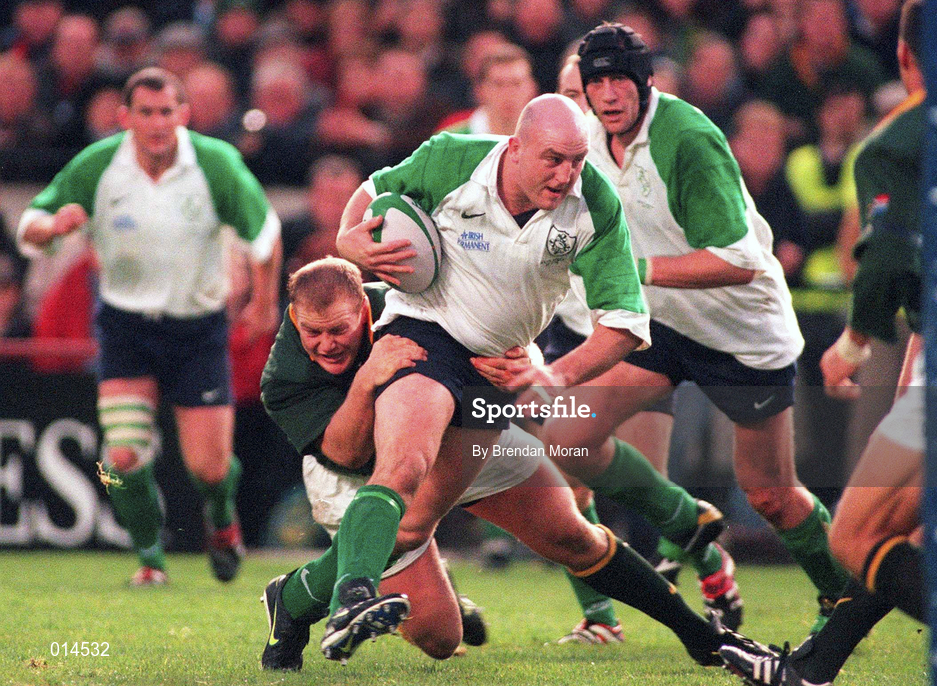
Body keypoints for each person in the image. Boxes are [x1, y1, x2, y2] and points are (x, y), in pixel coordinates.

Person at [323, 92, 736, 663]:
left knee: (557, 531)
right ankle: (352, 599)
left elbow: (625, 322)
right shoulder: (451, 158)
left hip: (500, 371)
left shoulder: (593, 204)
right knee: (406, 466)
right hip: (424, 337)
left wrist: (554, 374)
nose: (567, 175)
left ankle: (700, 634)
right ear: (514, 148)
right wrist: (349, 237)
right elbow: (372, 190)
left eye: (577, 160)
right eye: (553, 159)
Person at [259, 257, 775, 669]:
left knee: (572, 532)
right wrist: (370, 375)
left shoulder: (404, 305)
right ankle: (295, 598)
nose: (326, 343)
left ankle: (702, 638)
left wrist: (526, 360)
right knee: (441, 637)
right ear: (295, 322)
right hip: (352, 475)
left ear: (366, 312)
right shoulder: (282, 375)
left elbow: (491, 330)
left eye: (339, 330)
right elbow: (344, 453)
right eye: (312, 333)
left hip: (455, 434)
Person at [541, 23, 850, 636]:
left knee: (771, 496)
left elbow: (739, 260)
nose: (606, 94)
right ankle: (686, 520)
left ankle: (843, 596)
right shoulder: (590, 140)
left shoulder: (686, 138)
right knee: (566, 439)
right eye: (594, 81)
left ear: (645, 80)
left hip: (742, 337)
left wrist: (636, 270)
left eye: (618, 79)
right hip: (664, 328)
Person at [721, 0, 927, 686]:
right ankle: (813, 667)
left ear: (902, 58)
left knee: (855, 534)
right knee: (911, 532)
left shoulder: (897, 142)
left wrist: (856, 342)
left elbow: (890, 262)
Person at [17, 66, 282, 585]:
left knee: (208, 469)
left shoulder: (215, 163)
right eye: (146, 113)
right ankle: (149, 559)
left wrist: (265, 303)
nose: (157, 123)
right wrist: (51, 228)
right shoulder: (98, 166)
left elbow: (265, 233)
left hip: (198, 329)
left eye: (167, 112)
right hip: (125, 327)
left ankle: (222, 520)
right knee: (118, 459)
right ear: (125, 118)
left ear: (184, 115)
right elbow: (32, 223)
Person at [546, 53, 745, 645]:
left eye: (586, 94)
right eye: (570, 93)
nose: (581, 106)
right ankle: (600, 618)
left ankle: (707, 559)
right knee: (566, 473)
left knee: (645, 484)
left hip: (629, 335)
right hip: (566, 330)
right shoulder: (543, 160)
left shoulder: (630, 163)